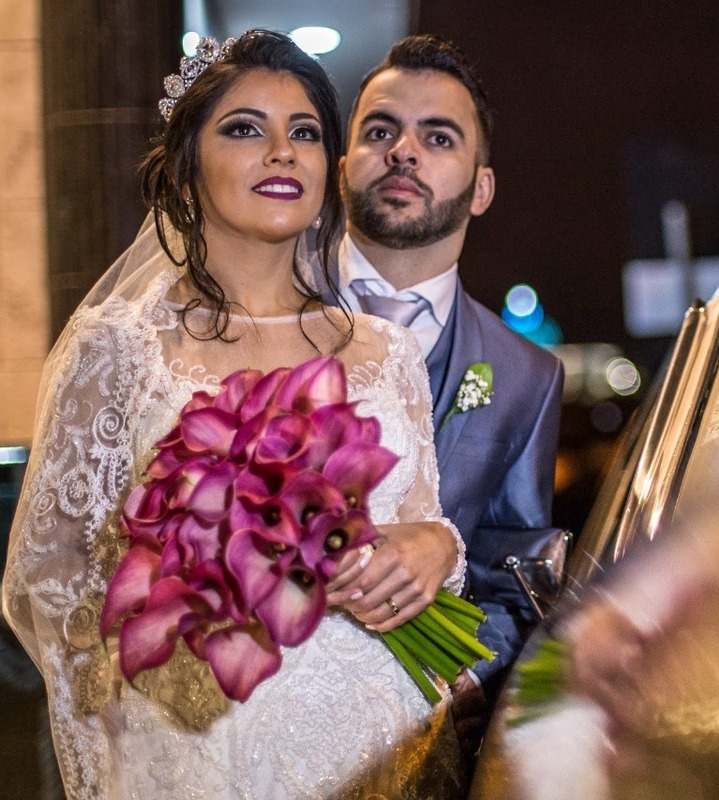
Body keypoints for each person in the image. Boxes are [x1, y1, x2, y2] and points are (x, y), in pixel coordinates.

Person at [2, 30, 467, 798]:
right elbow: (50, 580)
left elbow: (419, 527)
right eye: (245, 128)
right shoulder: (117, 347)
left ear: (329, 171)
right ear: (188, 165)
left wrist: (435, 549)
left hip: (381, 741)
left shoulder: (389, 353)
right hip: (201, 754)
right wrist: (141, 731)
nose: (282, 152)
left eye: (306, 133)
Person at [332, 34, 565, 745]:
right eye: (381, 131)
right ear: (343, 167)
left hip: (401, 739)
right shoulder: (259, 314)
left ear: (482, 186)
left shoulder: (527, 375)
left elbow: (509, 577)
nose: (404, 151)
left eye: (438, 137)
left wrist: (457, 679)